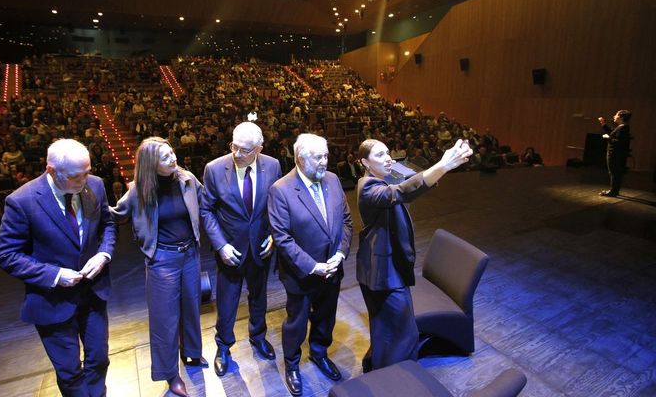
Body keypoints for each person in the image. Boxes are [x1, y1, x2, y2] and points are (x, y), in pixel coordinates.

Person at [0, 139, 116, 397]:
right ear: (51, 170)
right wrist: (55, 275)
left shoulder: (95, 185)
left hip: (93, 292)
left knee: (99, 361)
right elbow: (6, 254)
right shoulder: (22, 201)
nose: (83, 180)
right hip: (52, 301)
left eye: (87, 171)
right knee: (70, 373)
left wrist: (104, 253)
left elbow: (108, 224)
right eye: (75, 176)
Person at [356, 138, 472, 373]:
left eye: (388, 152)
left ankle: (376, 366)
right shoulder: (367, 186)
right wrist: (443, 165)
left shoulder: (387, 176)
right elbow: (401, 192)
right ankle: (401, 377)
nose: (388, 158)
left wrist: (436, 168)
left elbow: (411, 179)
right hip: (382, 271)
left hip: (387, 266)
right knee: (403, 331)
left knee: (384, 323)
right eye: (380, 155)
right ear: (364, 163)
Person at [109, 137, 205, 397]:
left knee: (192, 306)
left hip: (190, 254)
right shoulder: (138, 189)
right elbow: (115, 215)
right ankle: (170, 374)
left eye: (171, 152)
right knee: (165, 320)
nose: (172, 158)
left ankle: (192, 354)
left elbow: (206, 203)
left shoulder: (186, 178)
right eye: (165, 157)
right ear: (151, 164)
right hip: (163, 259)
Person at [268, 133, 353, 397]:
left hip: (332, 268)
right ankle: (292, 364)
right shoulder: (281, 190)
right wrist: (313, 266)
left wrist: (340, 253)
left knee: (326, 317)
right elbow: (282, 238)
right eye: (318, 157)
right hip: (302, 274)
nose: (325, 161)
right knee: (297, 322)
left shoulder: (334, 180)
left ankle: (319, 353)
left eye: (326, 155)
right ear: (300, 159)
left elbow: (347, 222)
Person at [201, 122, 282, 376]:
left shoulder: (273, 165)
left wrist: (273, 236)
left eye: (244, 150)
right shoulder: (214, 169)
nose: (236, 154)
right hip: (230, 250)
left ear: (259, 148)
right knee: (227, 301)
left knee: (259, 296)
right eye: (233, 146)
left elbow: (278, 205)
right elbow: (206, 210)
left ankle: (258, 337)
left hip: (261, 247)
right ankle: (223, 346)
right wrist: (221, 244)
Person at [598, 110, 631, 197]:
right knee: (615, 172)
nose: (614, 116)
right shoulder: (622, 127)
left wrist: (607, 138)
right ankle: (614, 191)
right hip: (616, 154)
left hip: (615, 154)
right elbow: (613, 133)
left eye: (616, 115)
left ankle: (613, 191)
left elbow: (618, 142)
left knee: (614, 172)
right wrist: (603, 124)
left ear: (621, 117)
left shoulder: (623, 127)